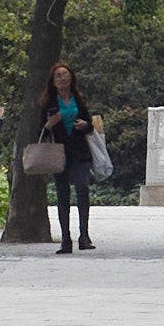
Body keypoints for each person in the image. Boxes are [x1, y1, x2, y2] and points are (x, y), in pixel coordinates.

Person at [32, 64, 104, 252]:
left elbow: (90, 124)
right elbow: (40, 131)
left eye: (65, 75)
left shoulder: (78, 100)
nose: (63, 79)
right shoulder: (48, 103)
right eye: (58, 76)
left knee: (82, 188)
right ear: (53, 82)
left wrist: (84, 125)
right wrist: (50, 124)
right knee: (62, 194)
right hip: (59, 152)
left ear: (71, 78)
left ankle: (84, 236)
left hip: (80, 151)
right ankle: (65, 239)